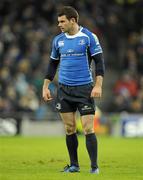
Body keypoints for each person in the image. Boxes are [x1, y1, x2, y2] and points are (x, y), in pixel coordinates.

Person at [42, 6, 105, 174]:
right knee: (70, 128)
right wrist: (45, 86)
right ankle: (74, 165)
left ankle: (94, 167)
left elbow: (99, 63)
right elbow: (52, 64)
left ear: (73, 21)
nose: (59, 25)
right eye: (58, 22)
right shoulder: (58, 40)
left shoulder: (89, 37)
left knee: (87, 128)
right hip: (64, 90)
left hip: (84, 89)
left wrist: (98, 85)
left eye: (62, 21)